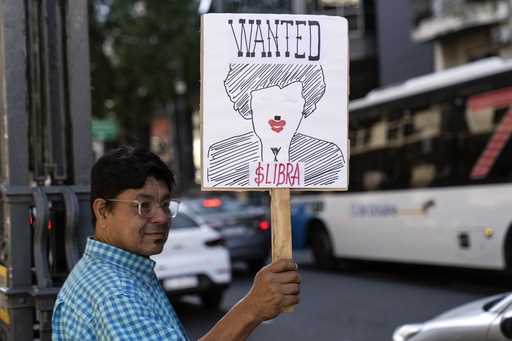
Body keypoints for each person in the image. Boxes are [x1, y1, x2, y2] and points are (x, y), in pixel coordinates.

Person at [52, 145, 300, 341]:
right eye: (143, 206)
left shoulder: (115, 274)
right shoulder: (115, 294)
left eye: (164, 204)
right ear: (103, 211)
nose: (160, 217)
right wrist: (251, 309)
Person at [207, 63, 345, 187]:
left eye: (289, 102)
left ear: (305, 104)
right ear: (248, 105)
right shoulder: (221, 158)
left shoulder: (328, 157)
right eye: (266, 101)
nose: (277, 114)